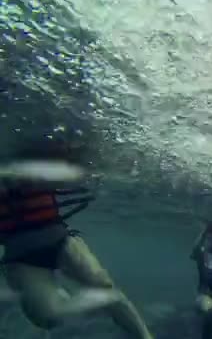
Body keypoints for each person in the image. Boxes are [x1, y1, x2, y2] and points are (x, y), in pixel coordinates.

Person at [0, 140, 154, 338]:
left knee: (107, 291)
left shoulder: (30, 167)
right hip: (22, 258)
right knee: (48, 318)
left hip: (59, 240)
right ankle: (54, 296)